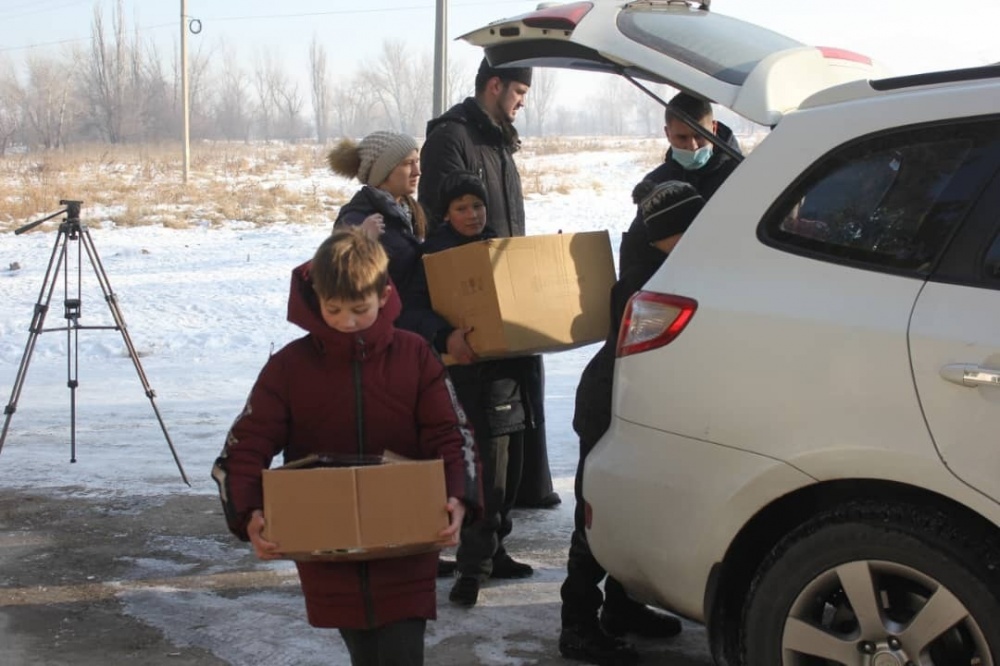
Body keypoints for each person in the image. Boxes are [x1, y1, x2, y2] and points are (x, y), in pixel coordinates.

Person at [211, 229, 481, 666]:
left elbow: (452, 433)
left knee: (400, 651)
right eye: (333, 309)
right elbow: (245, 446)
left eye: (360, 309)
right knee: (365, 652)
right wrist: (249, 513)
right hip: (326, 544)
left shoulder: (414, 355)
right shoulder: (289, 367)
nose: (347, 322)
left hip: (405, 538)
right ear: (316, 298)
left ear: (384, 295)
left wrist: (458, 494)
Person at [559, 181, 705, 666]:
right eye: (685, 230)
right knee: (598, 515)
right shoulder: (645, 283)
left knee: (636, 511)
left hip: (640, 409)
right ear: (662, 235)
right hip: (609, 409)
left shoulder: (673, 267)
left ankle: (622, 606)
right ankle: (577, 624)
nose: (696, 237)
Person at [420, 57, 560, 513]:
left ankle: (524, 487)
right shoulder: (452, 137)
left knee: (520, 387)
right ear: (495, 85)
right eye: (519, 93)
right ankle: (483, 506)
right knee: (485, 409)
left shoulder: (499, 140)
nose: (522, 103)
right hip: (475, 292)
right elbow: (442, 219)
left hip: (509, 283)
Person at [400, 171, 534, 607]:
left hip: (509, 376)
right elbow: (412, 313)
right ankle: (471, 569)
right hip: (467, 379)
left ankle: (495, 552)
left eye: (477, 205)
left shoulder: (500, 247)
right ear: (446, 214)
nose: (473, 214)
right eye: (462, 208)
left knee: (510, 475)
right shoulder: (434, 256)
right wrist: (445, 336)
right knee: (486, 477)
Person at [621, 92, 742, 273]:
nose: (692, 146)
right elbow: (638, 248)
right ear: (667, 133)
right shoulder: (656, 181)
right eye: (682, 138)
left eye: (699, 135)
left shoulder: (742, 176)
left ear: (714, 128)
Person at [329, 130, 427, 296]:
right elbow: (341, 282)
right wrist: (361, 244)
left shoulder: (410, 210)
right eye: (407, 163)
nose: (417, 171)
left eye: (417, 161)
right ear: (382, 172)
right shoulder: (356, 220)